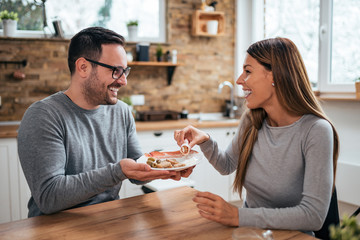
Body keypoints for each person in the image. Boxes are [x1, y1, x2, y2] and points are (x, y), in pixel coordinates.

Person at [18, 27, 192, 218]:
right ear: (83, 67)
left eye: (125, 71)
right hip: (53, 229)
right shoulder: (44, 115)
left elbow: (136, 169)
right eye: (116, 71)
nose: (123, 81)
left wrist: (167, 165)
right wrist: (117, 172)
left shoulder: (122, 112)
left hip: (108, 220)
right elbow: (49, 197)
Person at [174, 37, 339, 233]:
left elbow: (313, 216)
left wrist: (237, 216)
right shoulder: (252, 120)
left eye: (248, 71)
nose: (239, 80)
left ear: (275, 76)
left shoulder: (316, 130)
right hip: (250, 233)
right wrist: (206, 141)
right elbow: (226, 165)